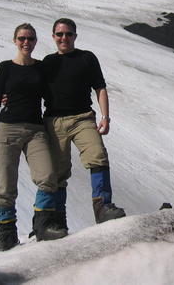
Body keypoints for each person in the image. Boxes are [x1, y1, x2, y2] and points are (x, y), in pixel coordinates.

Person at [0, 23, 66, 251]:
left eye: (30, 39)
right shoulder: (5, 68)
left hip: (35, 129)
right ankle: (7, 233)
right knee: (6, 185)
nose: (26, 42)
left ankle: (41, 225)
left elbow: (53, 92)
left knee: (48, 175)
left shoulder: (41, 68)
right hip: (7, 128)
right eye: (22, 38)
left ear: (35, 42)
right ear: (14, 40)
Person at [42, 18, 125, 229]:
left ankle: (102, 207)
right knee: (58, 172)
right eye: (60, 34)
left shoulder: (87, 58)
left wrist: (105, 117)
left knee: (97, 155)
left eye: (68, 34)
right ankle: (58, 221)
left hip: (83, 118)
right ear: (53, 37)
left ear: (75, 36)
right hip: (54, 121)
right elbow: (32, 88)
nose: (64, 38)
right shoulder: (48, 63)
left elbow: (100, 88)